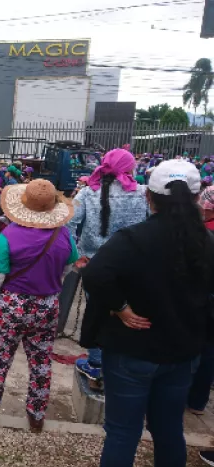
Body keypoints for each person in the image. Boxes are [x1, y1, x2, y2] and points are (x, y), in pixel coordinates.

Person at [80, 160, 214, 467]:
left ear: (149, 198)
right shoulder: (206, 243)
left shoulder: (134, 239)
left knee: (123, 433)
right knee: (169, 431)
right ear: (197, 198)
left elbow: (95, 274)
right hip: (182, 353)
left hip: (131, 351)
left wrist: (120, 307)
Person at [0, 180, 78, 432]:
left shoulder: (9, 234)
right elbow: (68, 267)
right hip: (47, 304)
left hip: (11, 304)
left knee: (0, 359)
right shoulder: (64, 234)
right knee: (41, 361)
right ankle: (36, 414)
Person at [67, 149, 148, 382]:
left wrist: (77, 257)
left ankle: (96, 363)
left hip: (96, 267)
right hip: (134, 267)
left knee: (97, 313)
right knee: (129, 314)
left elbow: (69, 227)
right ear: (130, 168)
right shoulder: (143, 194)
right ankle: (121, 365)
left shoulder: (86, 193)